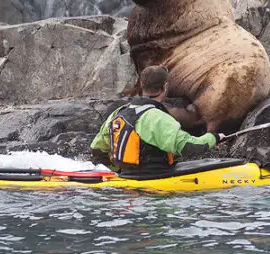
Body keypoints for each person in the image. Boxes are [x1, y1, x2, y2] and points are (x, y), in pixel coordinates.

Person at [90, 65, 225, 174]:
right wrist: (214, 137)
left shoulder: (118, 113)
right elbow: (189, 147)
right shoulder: (159, 119)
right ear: (165, 86)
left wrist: (118, 171)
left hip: (127, 177)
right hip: (155, 179)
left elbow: (97, 149)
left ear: (142, 85)